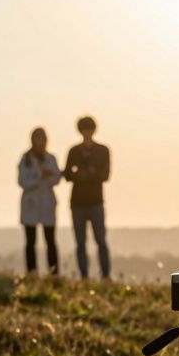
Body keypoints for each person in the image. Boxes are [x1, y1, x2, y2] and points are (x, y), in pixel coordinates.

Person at [63, 115, 110, 280]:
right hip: (78, 202)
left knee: (100, 240)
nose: (87, 133)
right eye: (85, 130)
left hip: (95, 201)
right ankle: (84, 275)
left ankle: (105, 275)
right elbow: (67, 174)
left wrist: (88, 174)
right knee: (80, 242)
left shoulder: (103, 150)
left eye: (89, 129)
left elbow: (105, 175)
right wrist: (80, 175)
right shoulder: (74, 151)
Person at [18, 127, 62, 275]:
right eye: (38, 139)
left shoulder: (51, 158)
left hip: (47, 203)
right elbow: (22, 181)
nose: (40, 142)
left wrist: (48, 176)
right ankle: (32, 272)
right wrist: (39, 175)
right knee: (31, 242)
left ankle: (53, 272)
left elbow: (57, 178)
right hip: (31, 204)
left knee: (50, 240)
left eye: (42, 139)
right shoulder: (25, 159)